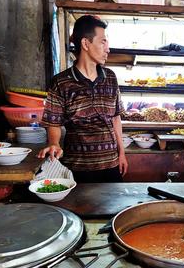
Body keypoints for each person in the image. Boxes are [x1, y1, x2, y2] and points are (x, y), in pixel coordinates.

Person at [38, 15, 128, 183]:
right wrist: (54, 143)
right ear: (86, 44)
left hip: (111, 165)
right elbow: (54, 122)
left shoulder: (110, 77)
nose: (108, 49)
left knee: (114, 209)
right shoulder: (61, 82)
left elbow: (116, 118)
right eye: (103, 42)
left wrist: (122, 153)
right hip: (77, 168)